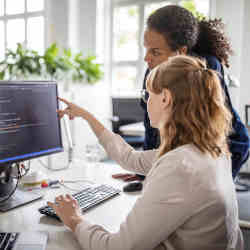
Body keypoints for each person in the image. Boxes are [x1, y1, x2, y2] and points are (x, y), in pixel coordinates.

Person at [48, 55, 243, 250]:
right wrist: (86, 116)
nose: (146, 103)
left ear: (165, 98)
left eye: (148, 95)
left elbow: (117, 247)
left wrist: (74, 219)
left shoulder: (180, 166)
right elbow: (130, 158)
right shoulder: (207, 150)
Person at [114, 5, 249, 187]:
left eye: (155, 52)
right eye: (146, 49)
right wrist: (144, 173)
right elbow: (152, 126)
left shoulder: (204, 67)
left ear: (182, 51)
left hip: (228, 147)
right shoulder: (152, 70)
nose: (147, 58)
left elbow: (200, 133)